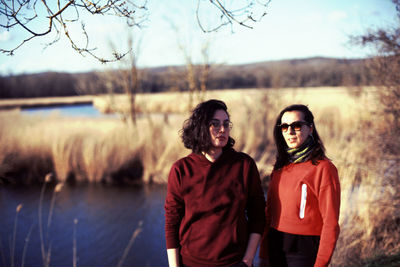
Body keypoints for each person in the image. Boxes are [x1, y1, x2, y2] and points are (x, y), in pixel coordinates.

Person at [165, 99, 265, 267]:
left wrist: (247, 260)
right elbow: (171, 223)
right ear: (201, 127)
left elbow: (258, 215)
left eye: (226, 124)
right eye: (215, 124)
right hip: (191, 263)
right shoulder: (181, 170)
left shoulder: (244, 165)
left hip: (235, 262)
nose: (223, 129)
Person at [258, 104, 341, 267]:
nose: (289, 132)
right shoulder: (280, 166)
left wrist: (321, 264)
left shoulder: (324, 168)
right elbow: (270, 213)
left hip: (305, 250)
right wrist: (263, 254)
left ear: (310, 128)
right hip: (276, 244)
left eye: (296, 126)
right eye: (284, 127)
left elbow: (330, 223)